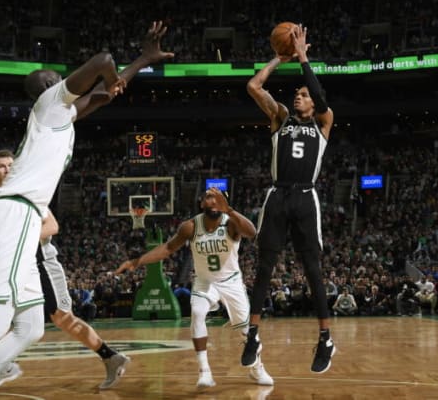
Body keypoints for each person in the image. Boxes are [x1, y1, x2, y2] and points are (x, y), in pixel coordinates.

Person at [0, 21, 174, 400]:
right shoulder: (49, 102)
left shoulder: (62, 116)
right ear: (49, 86)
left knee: (31, 327)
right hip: (16, 213)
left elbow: (106, 92)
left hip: (24, 218)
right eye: (58, 78)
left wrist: (141, 60)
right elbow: (104, 62)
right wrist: (111, 71)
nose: (65, 80)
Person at [0, 149, 130, 390]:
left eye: (11, 165)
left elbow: (52, 226)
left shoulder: (27, 190)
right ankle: (5, 364)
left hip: (41, 261)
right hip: (17, 263)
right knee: (4, 314)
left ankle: (110, 356)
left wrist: (19, 239)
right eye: (2, 166)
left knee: (61, 318)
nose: (7, 169)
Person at [243, 24, 336, 374]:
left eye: (303, 94)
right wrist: (278, 59)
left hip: (306, 198)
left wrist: (303, 58)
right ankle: (252, 334)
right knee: (265, 265)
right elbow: (253, 86)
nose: (299, 96)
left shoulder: (324, 122)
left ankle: (325, 338)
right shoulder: (280, 118)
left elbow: (321, 98)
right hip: (277, 196)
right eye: (296, 93)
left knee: (312, 268)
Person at [116, 188, 274, 388]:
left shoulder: (231, 222)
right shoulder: (190, 226)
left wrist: (230, 210)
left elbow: (252, 233)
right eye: (209, 196)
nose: (213, 200)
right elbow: (167, 248)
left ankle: (257, 368)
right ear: (202, 203)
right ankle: (204, 372)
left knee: (246, 331)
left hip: (231, 282)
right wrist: (136, 262)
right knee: (197, 313)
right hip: (204, 281)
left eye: (218, 198)